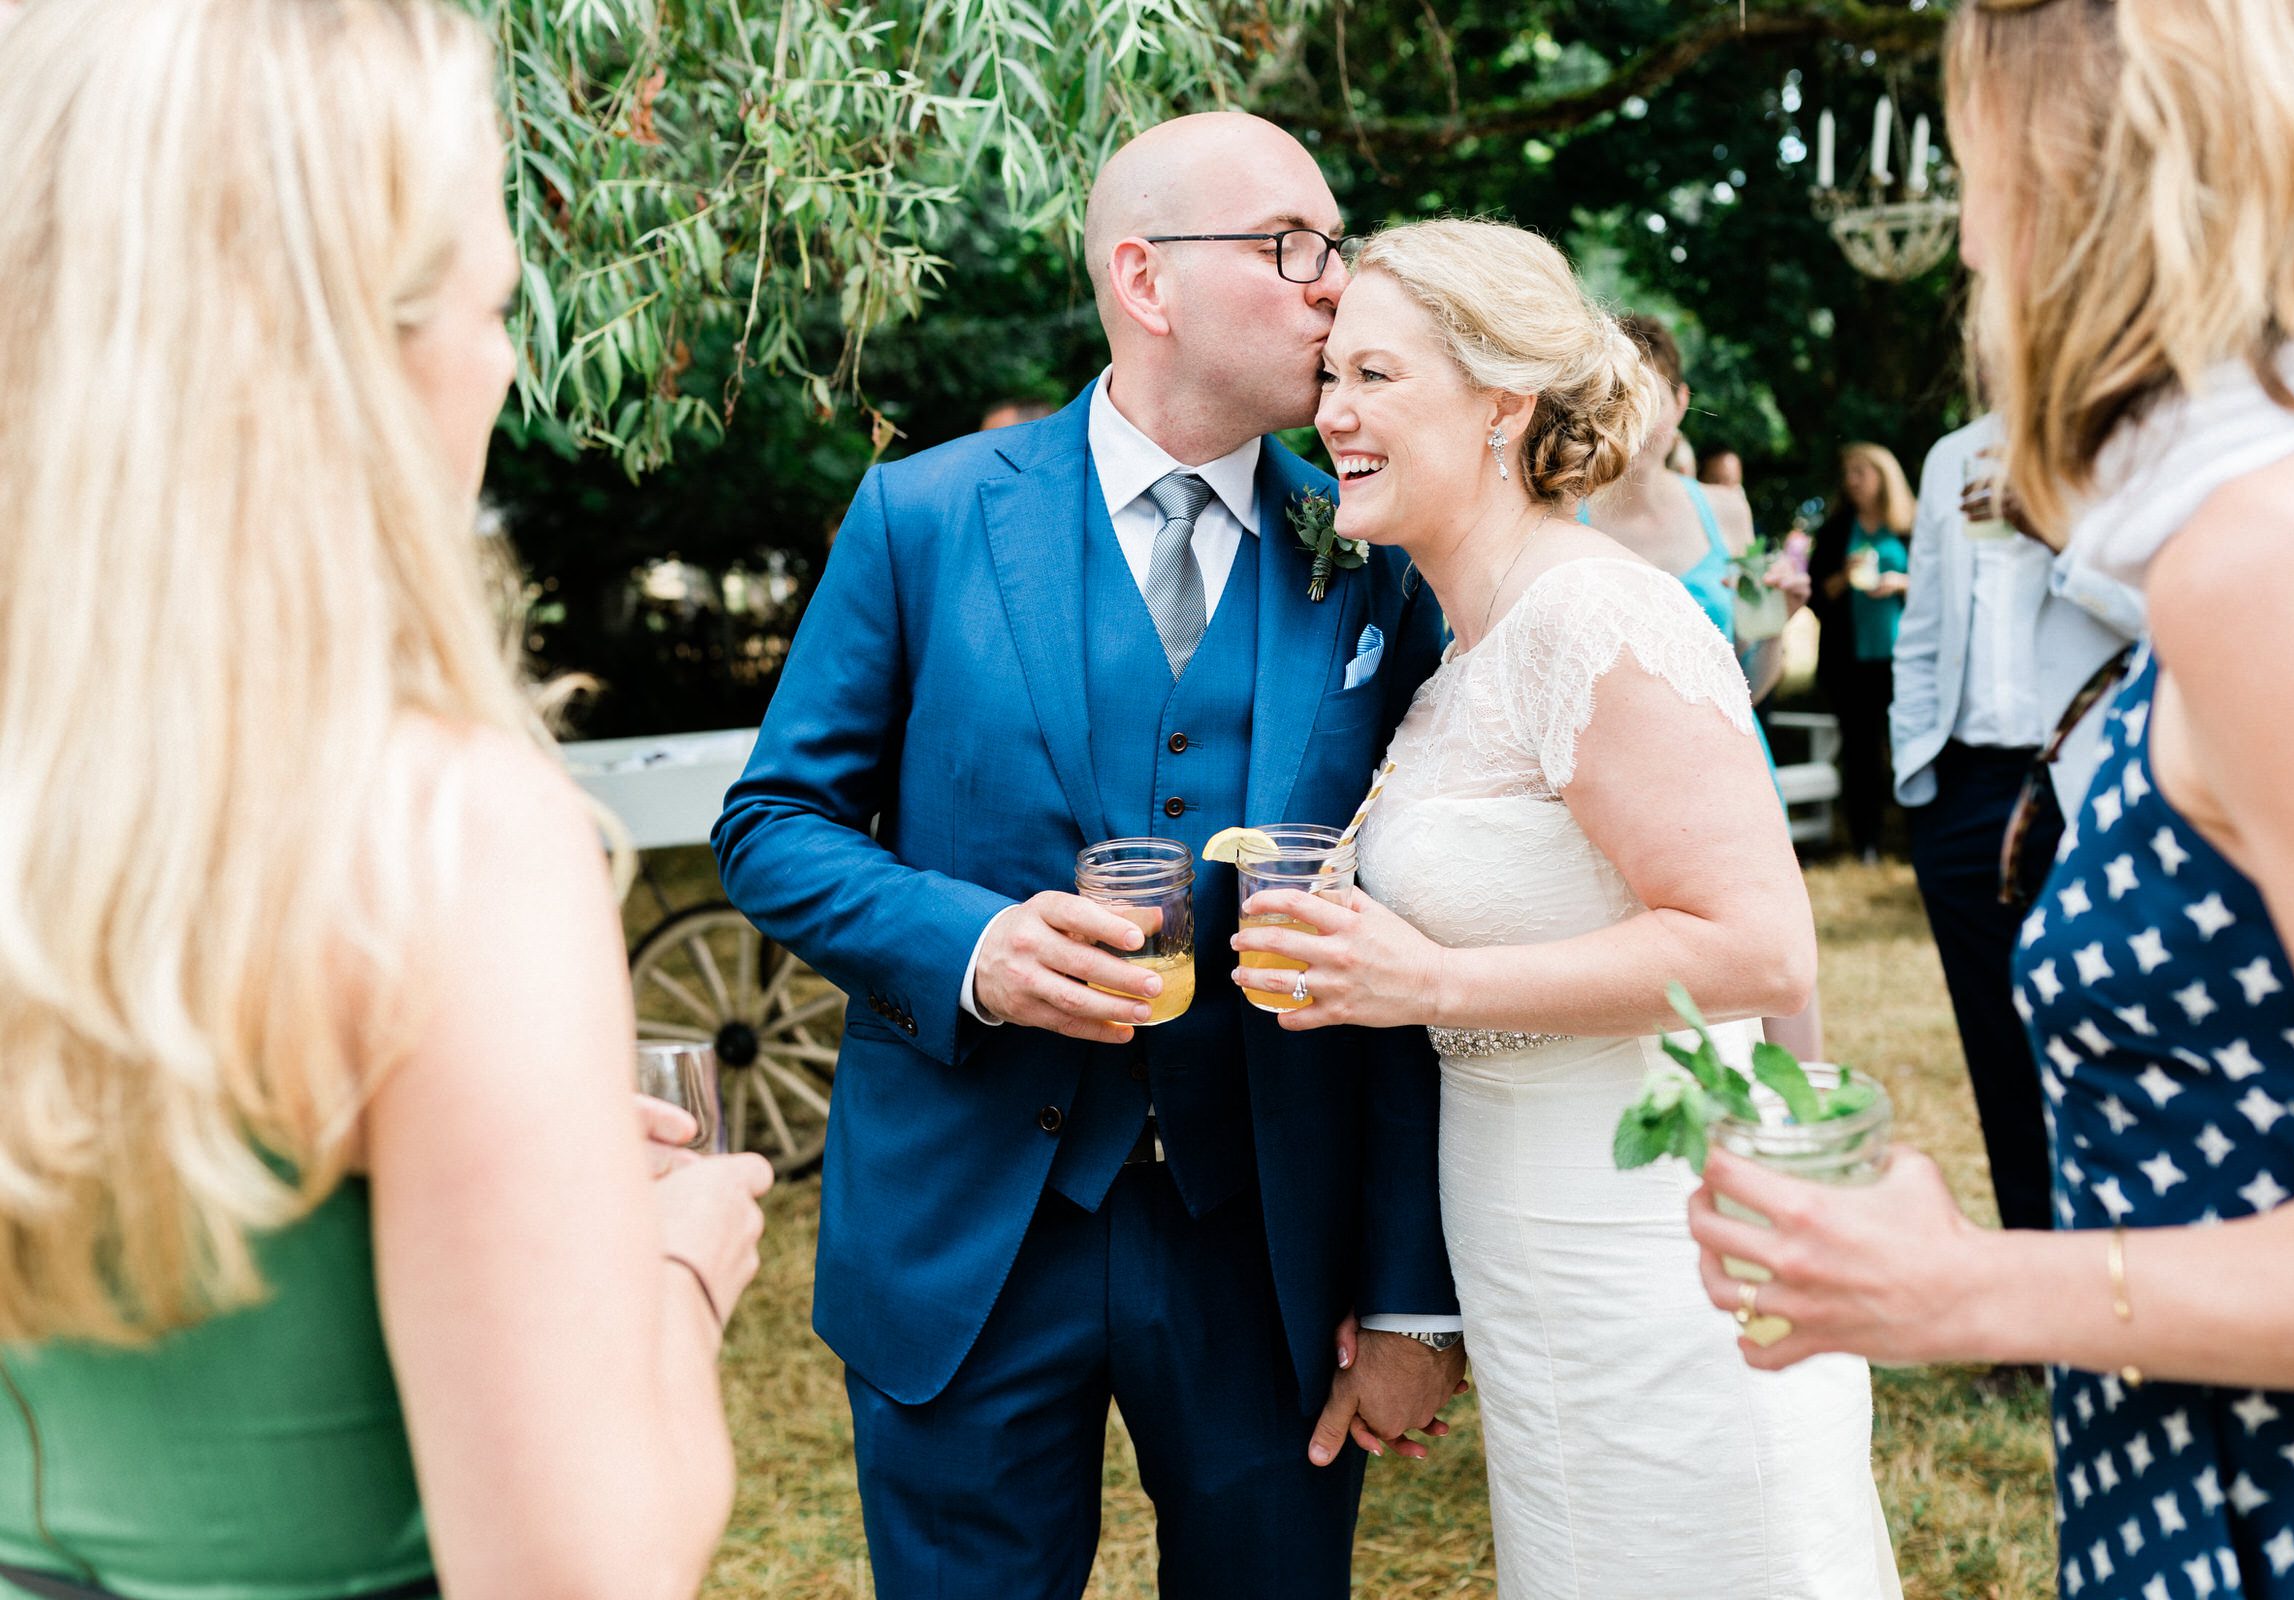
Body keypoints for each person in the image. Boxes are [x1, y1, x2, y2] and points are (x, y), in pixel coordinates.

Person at [0, 2, 772, 1597]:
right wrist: (674, 1271)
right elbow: (583, 1574)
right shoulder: (436, 838)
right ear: (354, 352)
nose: (501, 365)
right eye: (491, 303)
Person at [1687, 2, 2294, 1596]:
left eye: (1975, 166)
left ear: (2088, 178)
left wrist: (1972, 1292)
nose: (1968, 244)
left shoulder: (2274, 559)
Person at [713, 112, 1465, 1597]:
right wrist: (973, 949)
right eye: (1290, 246)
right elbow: (773, 826)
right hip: (968, 1229)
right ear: (1146, 278)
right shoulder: (922, 518)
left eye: (1338, 248)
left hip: (1264, 1244)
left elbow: (1421, 931)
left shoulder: (1379, 558)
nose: (1336, 286)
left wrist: (1406, 1300)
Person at [1229, 218, 1900, 1599]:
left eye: (1375, 377)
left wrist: (1430, 985)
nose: (1332, 413)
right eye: (1330, 377)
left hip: (1660, 1249)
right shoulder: (1455, 664)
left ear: (1500, 402)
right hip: (1526, 1248)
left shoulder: (1601, 622)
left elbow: (1758, 945)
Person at [1890, 410, 2137, 1260]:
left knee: (2101, 1034)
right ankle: (2036, 1278)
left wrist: (2053, 526)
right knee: (1997, 1049)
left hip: (2086, 781)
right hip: (1962, 794)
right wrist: (1918, 775)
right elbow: (1920, 632)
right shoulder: (1950, 454)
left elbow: (2164, 608)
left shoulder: (2127, 438)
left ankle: (2121, 1274)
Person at [1584, 313, 1824, 1058]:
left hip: (1729, 756)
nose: (1637, 416)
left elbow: (1754, 681)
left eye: (1650, 396)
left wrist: (1776, 622)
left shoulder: (1724, 510)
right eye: (1614, 393)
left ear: (1681, 402)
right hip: (1615, 770)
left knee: (1770, 954)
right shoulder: (1564, 509)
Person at [1806, 442, 1914, 860]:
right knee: (1860, 752)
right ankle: (1865, 841)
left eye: (1860, 472)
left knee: (1905, 747)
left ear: (1883, 477)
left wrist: (1902, 583)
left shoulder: (1910, 525)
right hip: (1850, 662)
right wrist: (1842, 577)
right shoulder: (1836, 529)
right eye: (1847, 472)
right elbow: (1817, 595)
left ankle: (1910, 837)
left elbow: (1941, 590)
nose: (1851, 481)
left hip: (1903, 661)